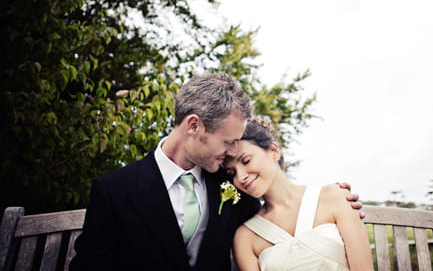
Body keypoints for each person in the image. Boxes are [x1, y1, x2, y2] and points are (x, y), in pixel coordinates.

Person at [71, 73, 361, 271]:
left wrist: (335, 202)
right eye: (228, 141)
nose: (233, 152)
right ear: (194, 126)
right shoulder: (115, 191)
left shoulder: (229, 182)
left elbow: (277, 210)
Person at [224, 118, 374, 271]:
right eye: (232, 172)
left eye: (246, 160)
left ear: (274, 151)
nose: (240, 177)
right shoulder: (245, 237)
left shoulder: (335, 197)